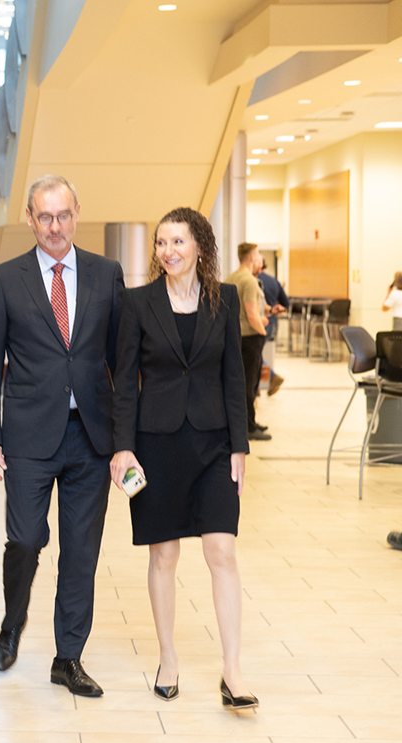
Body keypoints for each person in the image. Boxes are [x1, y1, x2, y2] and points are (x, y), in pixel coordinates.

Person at [0, 175, 124, 698]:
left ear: (77, 213)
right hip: (27, 435)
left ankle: (68, 657)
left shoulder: (107, 274)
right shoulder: (4, 279)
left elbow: (120, 363)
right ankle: (13, 622)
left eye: (63, 215)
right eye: (44, 216)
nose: (55, 226)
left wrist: (123, 439)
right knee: (27, 539)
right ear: (30, 218)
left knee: (81, 549)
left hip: (91, 436)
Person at [111, 207, 257, 710]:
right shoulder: (138, 303)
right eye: (160, 243)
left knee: (222, 550)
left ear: (199, 246)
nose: (167, 251)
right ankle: (168, 657)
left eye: (177, 241)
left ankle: (233, 671)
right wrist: (122, 446)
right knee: (164, 555)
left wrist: (240, 444)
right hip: (157, 444)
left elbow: (234, 377)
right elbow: (125, 382)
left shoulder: (226, 299)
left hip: (215, 443)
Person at [225, 244, 271, 441]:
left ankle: (247, 422)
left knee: (240, 384)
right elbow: (251, 313)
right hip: (250, 338)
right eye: (259, 254)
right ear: (252, 257)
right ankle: (249, 427)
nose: (260, 258)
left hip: (234, 337)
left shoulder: (231, 278)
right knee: (250, 384)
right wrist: (262, 333)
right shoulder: (249, 281)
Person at [248, 245, 287, 396]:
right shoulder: (273, 281)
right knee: (256, 355)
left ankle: (269, 377)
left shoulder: (252, 281)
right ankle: (260, 383)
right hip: (270, 324)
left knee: (255, 355)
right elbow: (285, 302)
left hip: (258, 322)